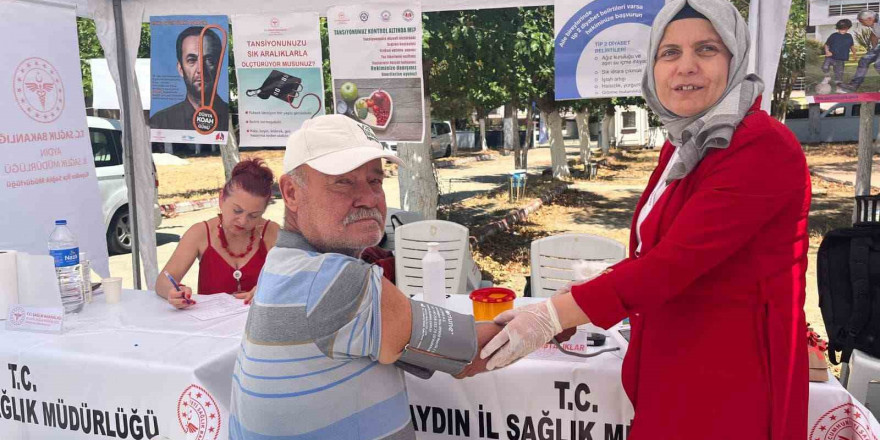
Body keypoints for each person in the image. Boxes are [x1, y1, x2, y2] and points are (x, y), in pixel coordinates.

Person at [481, 1, 811, 439]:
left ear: (735, 58)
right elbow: (654, 254)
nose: (685, 67)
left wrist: (551, 315)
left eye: (707, 49)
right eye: (669, 52)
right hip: (675, 367)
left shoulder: (761, 145)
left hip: (732, 384)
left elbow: (674, 264)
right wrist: (580, 296)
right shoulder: (683, 145)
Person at [229, 115, 504, 440]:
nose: (370, 198)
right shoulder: (336, 281)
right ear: (291, 193)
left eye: (375, 181)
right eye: (343, 182)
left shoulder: (281, 261)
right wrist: (554, 317)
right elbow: (474, 352)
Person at [155, 158, 279, 307]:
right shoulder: (200, 233)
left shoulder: (272, 233)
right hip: (211, 327)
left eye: (254, 215)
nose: (243, 221)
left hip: (259, 327)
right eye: (237, 211)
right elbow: (163, 281)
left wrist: (270, 290)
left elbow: (297, 281)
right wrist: (174, 292)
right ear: (221, 199)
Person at [149, 26, 230, 132]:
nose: (200, 69)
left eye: (209, 60)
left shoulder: (231, 116)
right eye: (192, 60)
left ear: (219, 66)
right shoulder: (160, 122)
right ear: (180, 68)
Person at [839, 10, 880, 92]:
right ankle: (853, 85)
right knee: (864, 60)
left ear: (869, 19)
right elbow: (874, 35)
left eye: (862, 22)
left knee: (878, 64)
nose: (862, 24)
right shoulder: (874, 23)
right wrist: (873, 49)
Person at [822, 19, 855, 91]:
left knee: (839, 74)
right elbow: (826, 45)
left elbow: (852, 46)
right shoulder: (833, 36)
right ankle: (827, 77)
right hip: (831, 57)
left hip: (840, 59)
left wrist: (854, 54)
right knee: (825, 67)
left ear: (848, 28)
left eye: (844, 29)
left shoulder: (849, 36)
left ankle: (839, 88)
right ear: (838, 28)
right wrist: (827, 51)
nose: (842, 30)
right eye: (840, 29)